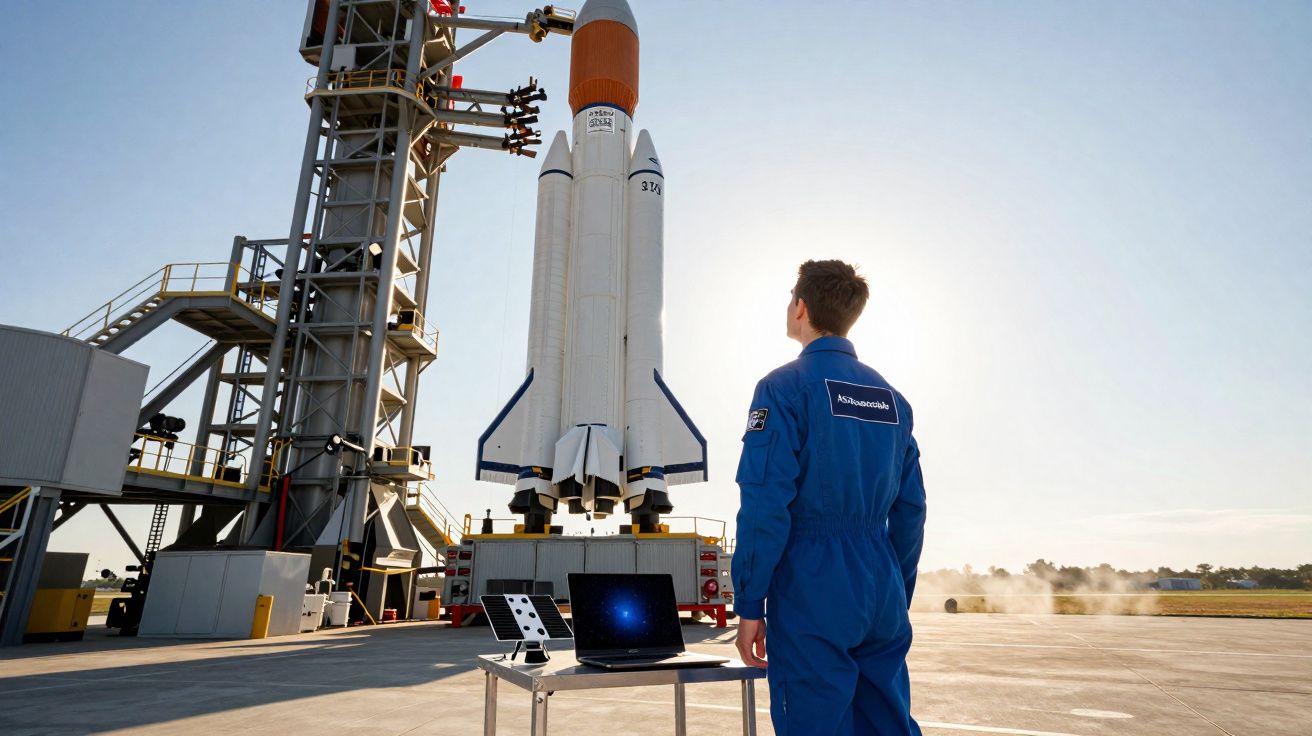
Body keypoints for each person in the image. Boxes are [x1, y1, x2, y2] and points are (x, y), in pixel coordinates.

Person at [731, 259, 927, 735]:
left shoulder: (782, 388)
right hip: (881, 585)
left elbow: (764, 503)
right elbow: (912, 510)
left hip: (812, 585)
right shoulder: (893, 400)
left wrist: (751, 603)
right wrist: (895, 591)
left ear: (801, 307)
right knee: (887, 724)